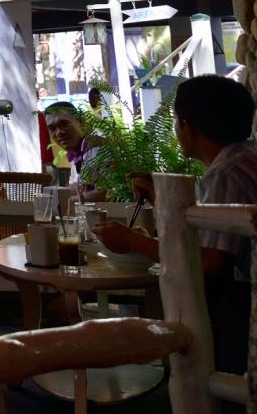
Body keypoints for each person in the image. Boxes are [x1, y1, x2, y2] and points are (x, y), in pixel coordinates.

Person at [92, 74, 257, 382]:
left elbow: (209, 263)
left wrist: (131, 241)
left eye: (175, 122)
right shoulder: (247, 157)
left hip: (243, 307)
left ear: (187, 126)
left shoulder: (226, 173)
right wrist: (161, 200)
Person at [43, 102, 104, 200]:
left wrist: (66, 202)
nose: (58, 132)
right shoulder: (75, 152)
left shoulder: (95, 147)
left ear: (81, 122)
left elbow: (106, 193)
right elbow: (77, 188)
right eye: (52, 129)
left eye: (64, 124)